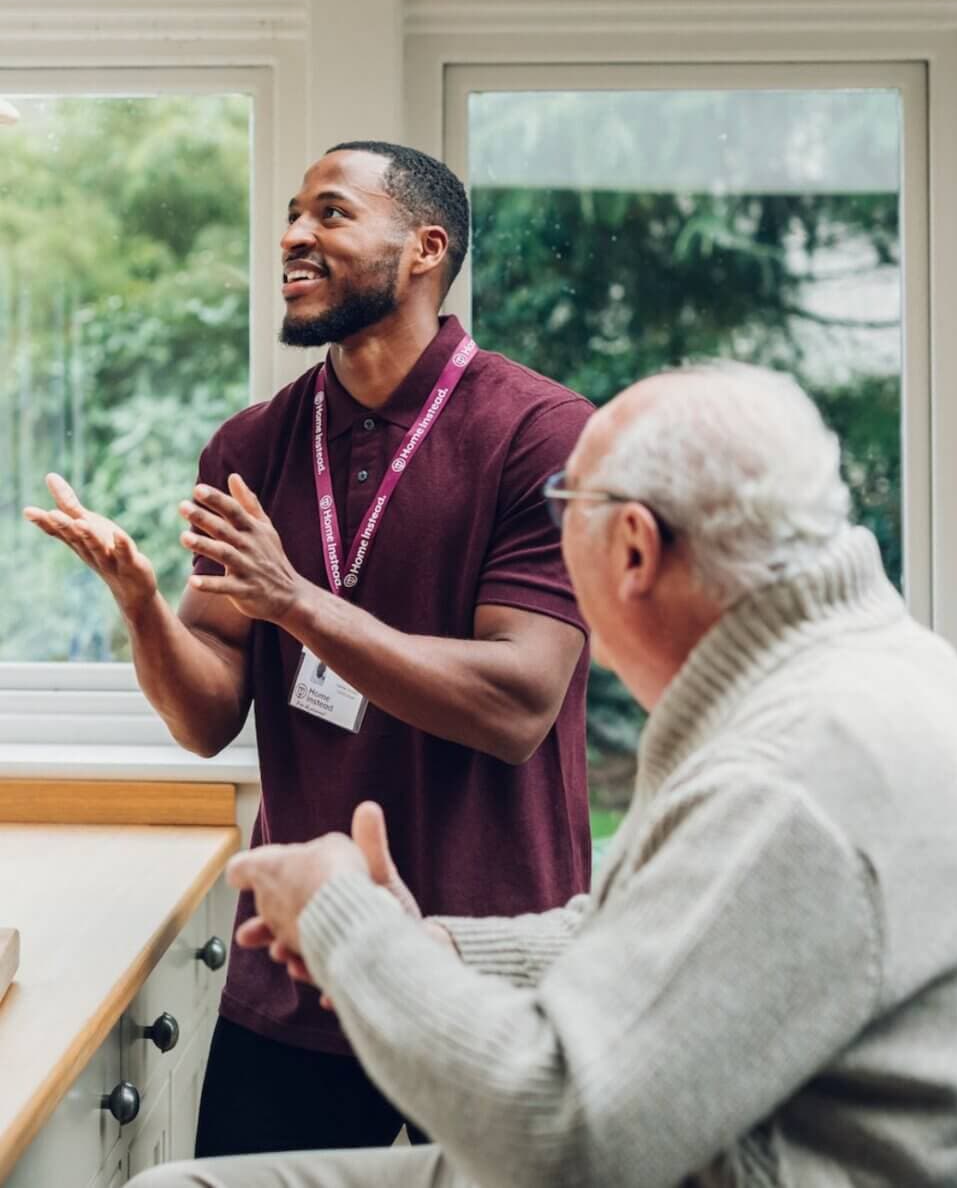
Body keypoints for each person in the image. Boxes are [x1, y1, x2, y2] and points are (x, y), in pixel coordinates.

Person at [132, 361, 957, 1188]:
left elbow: (563, 1139)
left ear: (633, 549)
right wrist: (438, 947)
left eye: (565, 508)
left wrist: (341, 921)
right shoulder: (875, 675)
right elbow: (682, 934)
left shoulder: (786, 775)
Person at [24, 141, 593, 1156]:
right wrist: (145, 608)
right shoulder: (250, 446)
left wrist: (296, 601)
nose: (293, 234)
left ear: (424, 249)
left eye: (330, 213)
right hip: (295, 976)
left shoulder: (542, 433)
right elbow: (207, 718)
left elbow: (517, 705)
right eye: (292, 213)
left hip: (488, 974)